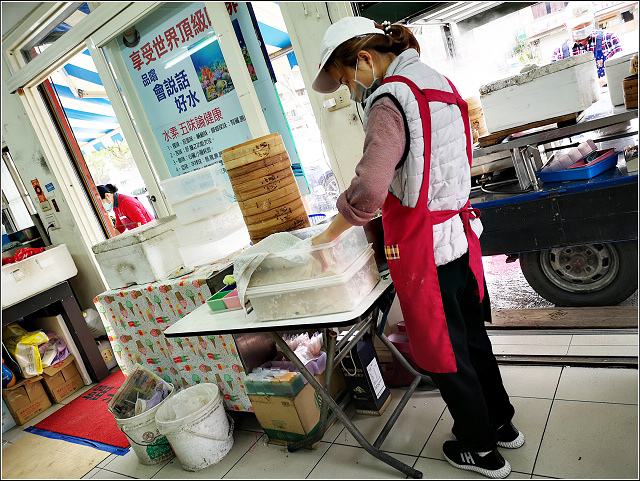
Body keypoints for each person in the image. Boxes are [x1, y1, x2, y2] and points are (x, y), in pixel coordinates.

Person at [310, 16, 523, 479]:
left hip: (428, 249)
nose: (351, 91)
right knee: (472, 339)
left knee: (447, 354)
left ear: (364, 58)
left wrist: (325, 238)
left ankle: (480, 447)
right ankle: (502, 423)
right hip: (460, 238)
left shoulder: (389, 98)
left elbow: (369, 191)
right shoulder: (437, 82)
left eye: (347, 79)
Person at [551, 2, 622, 82]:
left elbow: (622, 72)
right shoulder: (559, 55)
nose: (583, 28)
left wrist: (603, 82)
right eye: (578, 27)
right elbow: (558, 87)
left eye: (587, 24)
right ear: (566, 26)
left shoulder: (609, 40)